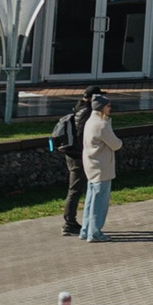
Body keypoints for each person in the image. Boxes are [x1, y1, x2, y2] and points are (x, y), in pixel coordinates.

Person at [56, 85, 101, 237]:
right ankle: (69, 223)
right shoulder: (87, 112)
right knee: (75, 189)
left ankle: (73, 222)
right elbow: (83, 136)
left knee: (77, 188)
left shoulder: (78, 108)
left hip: (72, 154)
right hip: (78, 156)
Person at [78, 93, 121, 243]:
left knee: (90, 201)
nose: (110, 109)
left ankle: (85, 230)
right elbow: (116, 144)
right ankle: (95, 233)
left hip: (91, 166)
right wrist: (108, 122)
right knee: (100, 203)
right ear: (102, 108)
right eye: (108, 106)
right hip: (102, 168)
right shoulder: (102, 125)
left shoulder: (90, 121)